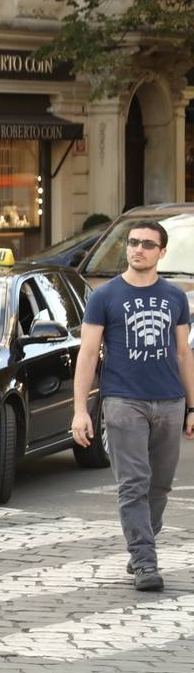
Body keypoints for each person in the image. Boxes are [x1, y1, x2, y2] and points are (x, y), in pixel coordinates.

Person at [72, 220, 194, 592]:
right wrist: (80, 409)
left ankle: (141, 539)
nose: (137, 249)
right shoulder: (105, 296)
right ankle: (145, 560)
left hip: (170, 402)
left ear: (161, 252)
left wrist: (192, 406)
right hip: (124, 401)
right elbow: (88, 353)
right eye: (133, 242)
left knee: (160, 485)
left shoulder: (175, 297)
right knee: (133, 484)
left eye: (147, 244)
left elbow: (183, 354)